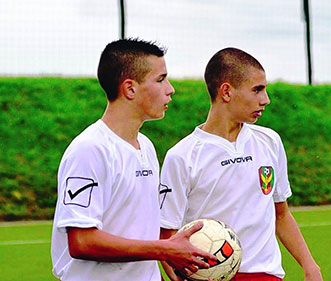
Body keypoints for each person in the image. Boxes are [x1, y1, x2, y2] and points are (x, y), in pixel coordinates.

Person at [51, 38, 215, 281]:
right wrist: (165, 249)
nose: (170, 89)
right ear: (130, 89)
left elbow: (143, 233)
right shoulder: (89, 149)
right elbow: (82, 242)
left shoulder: (146, 147)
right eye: (160, 80)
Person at [159, 48, 323, 281]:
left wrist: (310, 266)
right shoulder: (183, 156)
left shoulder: (269, 141)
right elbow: (167, 235)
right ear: (226, 91)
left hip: (267, 275)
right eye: (257, 90)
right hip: (210, 277)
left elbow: (281, 214)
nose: (265, 99)